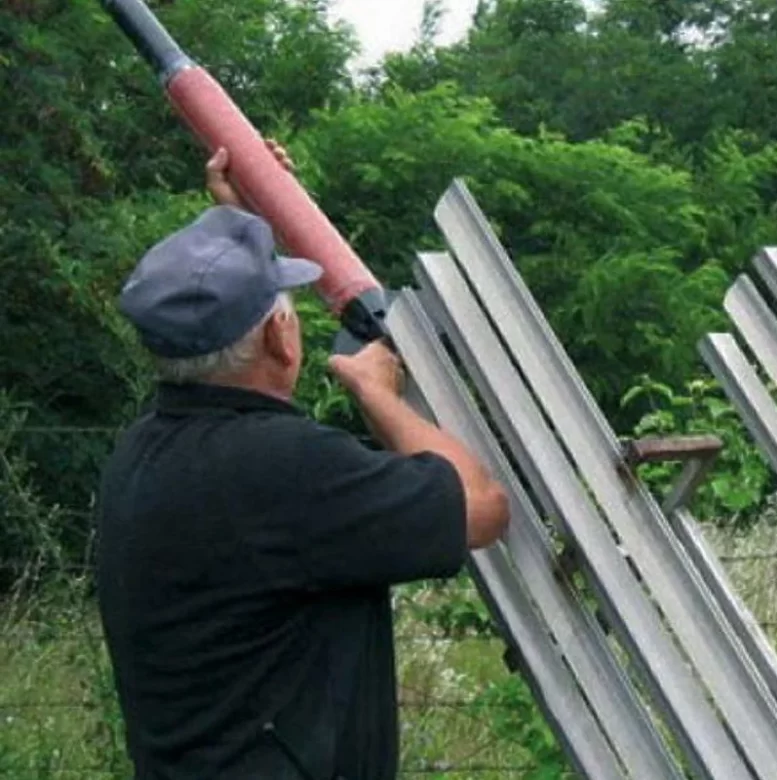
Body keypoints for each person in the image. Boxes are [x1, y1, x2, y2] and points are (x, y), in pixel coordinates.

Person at [95, 140, 510, 780]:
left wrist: (244, 230)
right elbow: (482, 506)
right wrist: (377, 392)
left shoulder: (142, 450)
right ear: (278, 336)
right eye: (285, 311)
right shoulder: (284, 469)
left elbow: (215, 323)